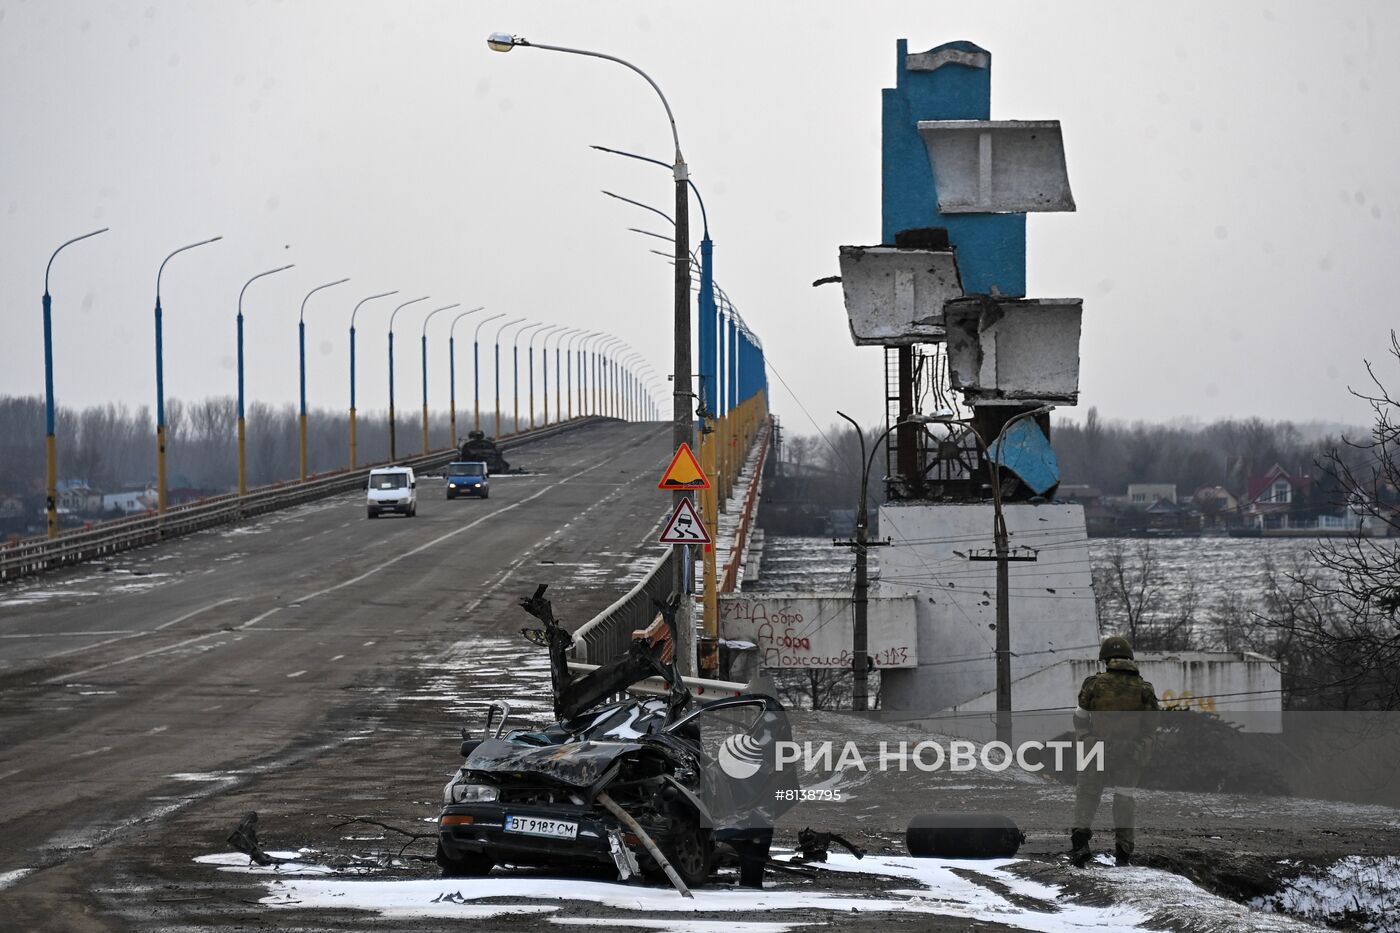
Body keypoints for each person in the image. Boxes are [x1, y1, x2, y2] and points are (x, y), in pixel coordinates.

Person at [1070, 635, 1159, 867]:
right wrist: (1139, 747)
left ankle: (1080, 845)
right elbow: (1151, 727)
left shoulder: (1093, 684)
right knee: (1124, 798)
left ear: (1106, 659)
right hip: (1129, 753)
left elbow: (1079, 718)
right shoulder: (1145, 689)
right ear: (1129, 659)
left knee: (1087, 795)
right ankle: (1123, 852)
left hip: (1096, 750)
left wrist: (1088, 739)